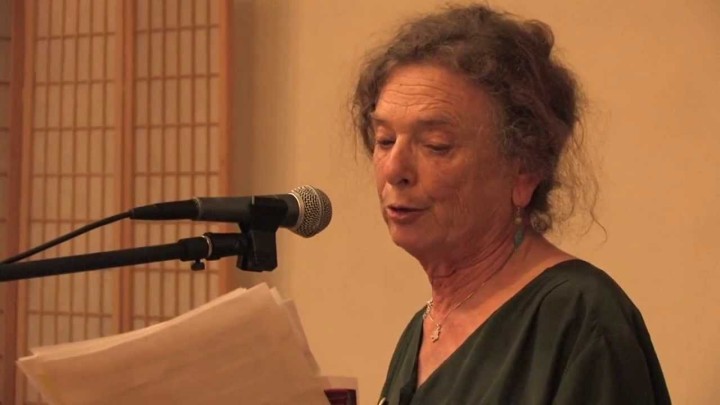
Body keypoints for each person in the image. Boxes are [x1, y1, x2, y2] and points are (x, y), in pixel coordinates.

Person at [351, 4, 671, 405]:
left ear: (524, 170)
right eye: (384, 140)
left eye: (436, 145)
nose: (394, 169)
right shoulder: (424, 327)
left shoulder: (581, 318)